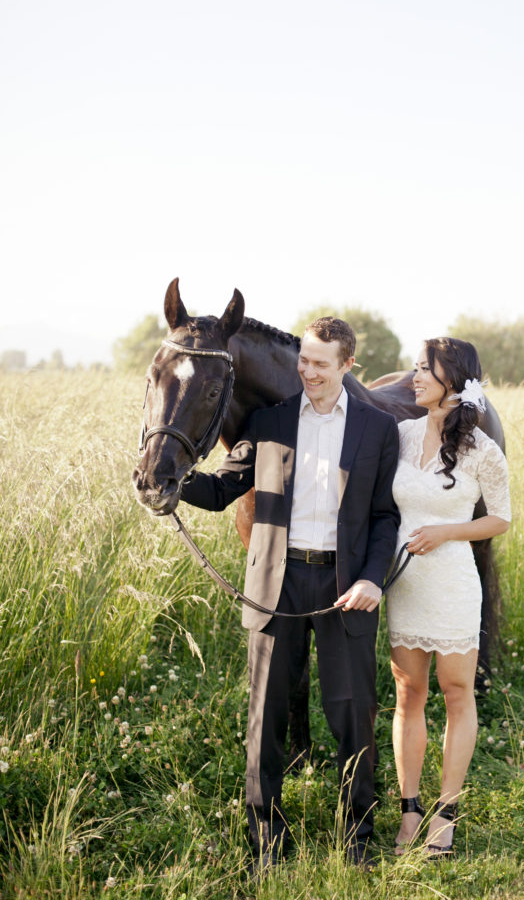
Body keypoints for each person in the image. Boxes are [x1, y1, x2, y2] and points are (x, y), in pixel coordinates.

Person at [180, 317, 400, 868]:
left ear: (346, 365)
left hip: (345, 585)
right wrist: (171, 481)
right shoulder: (269, 421)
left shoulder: (377, 429)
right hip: (276, 585)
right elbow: (222, 488)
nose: (308, 371)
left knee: (352, 713)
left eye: (321, 364)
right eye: (304, 360)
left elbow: (383, 516)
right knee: (266, 715)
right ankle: (265, 842)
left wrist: (373, 578)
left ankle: (358, 839)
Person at [385, 337, 511, 858]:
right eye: (415, 368)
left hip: (455, 584)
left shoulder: (483, 449)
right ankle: (410, 810)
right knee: (408, 696)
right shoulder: (399, 434)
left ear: (452, 382)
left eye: (423, 371)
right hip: (406, 585)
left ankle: (446, 814)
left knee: (457, 696)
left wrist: (447, 532)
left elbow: (500, 519)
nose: (413, 378)